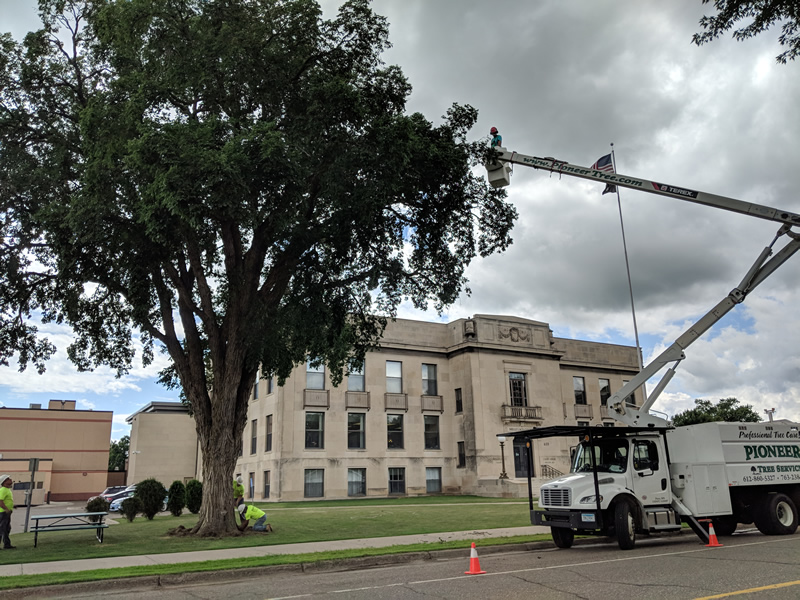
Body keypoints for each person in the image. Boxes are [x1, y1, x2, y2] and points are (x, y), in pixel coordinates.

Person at [0, 474, 15, 549]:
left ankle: (7, 544)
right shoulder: (3, 490)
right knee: (2, 528)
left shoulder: (7, 490)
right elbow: (0, 501)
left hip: (6, 513)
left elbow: (7, 501)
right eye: (8, 479)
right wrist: (6, 509)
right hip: (3, 513)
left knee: (6, 529)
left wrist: (12, 506)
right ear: (4, 481)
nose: (11, 480)